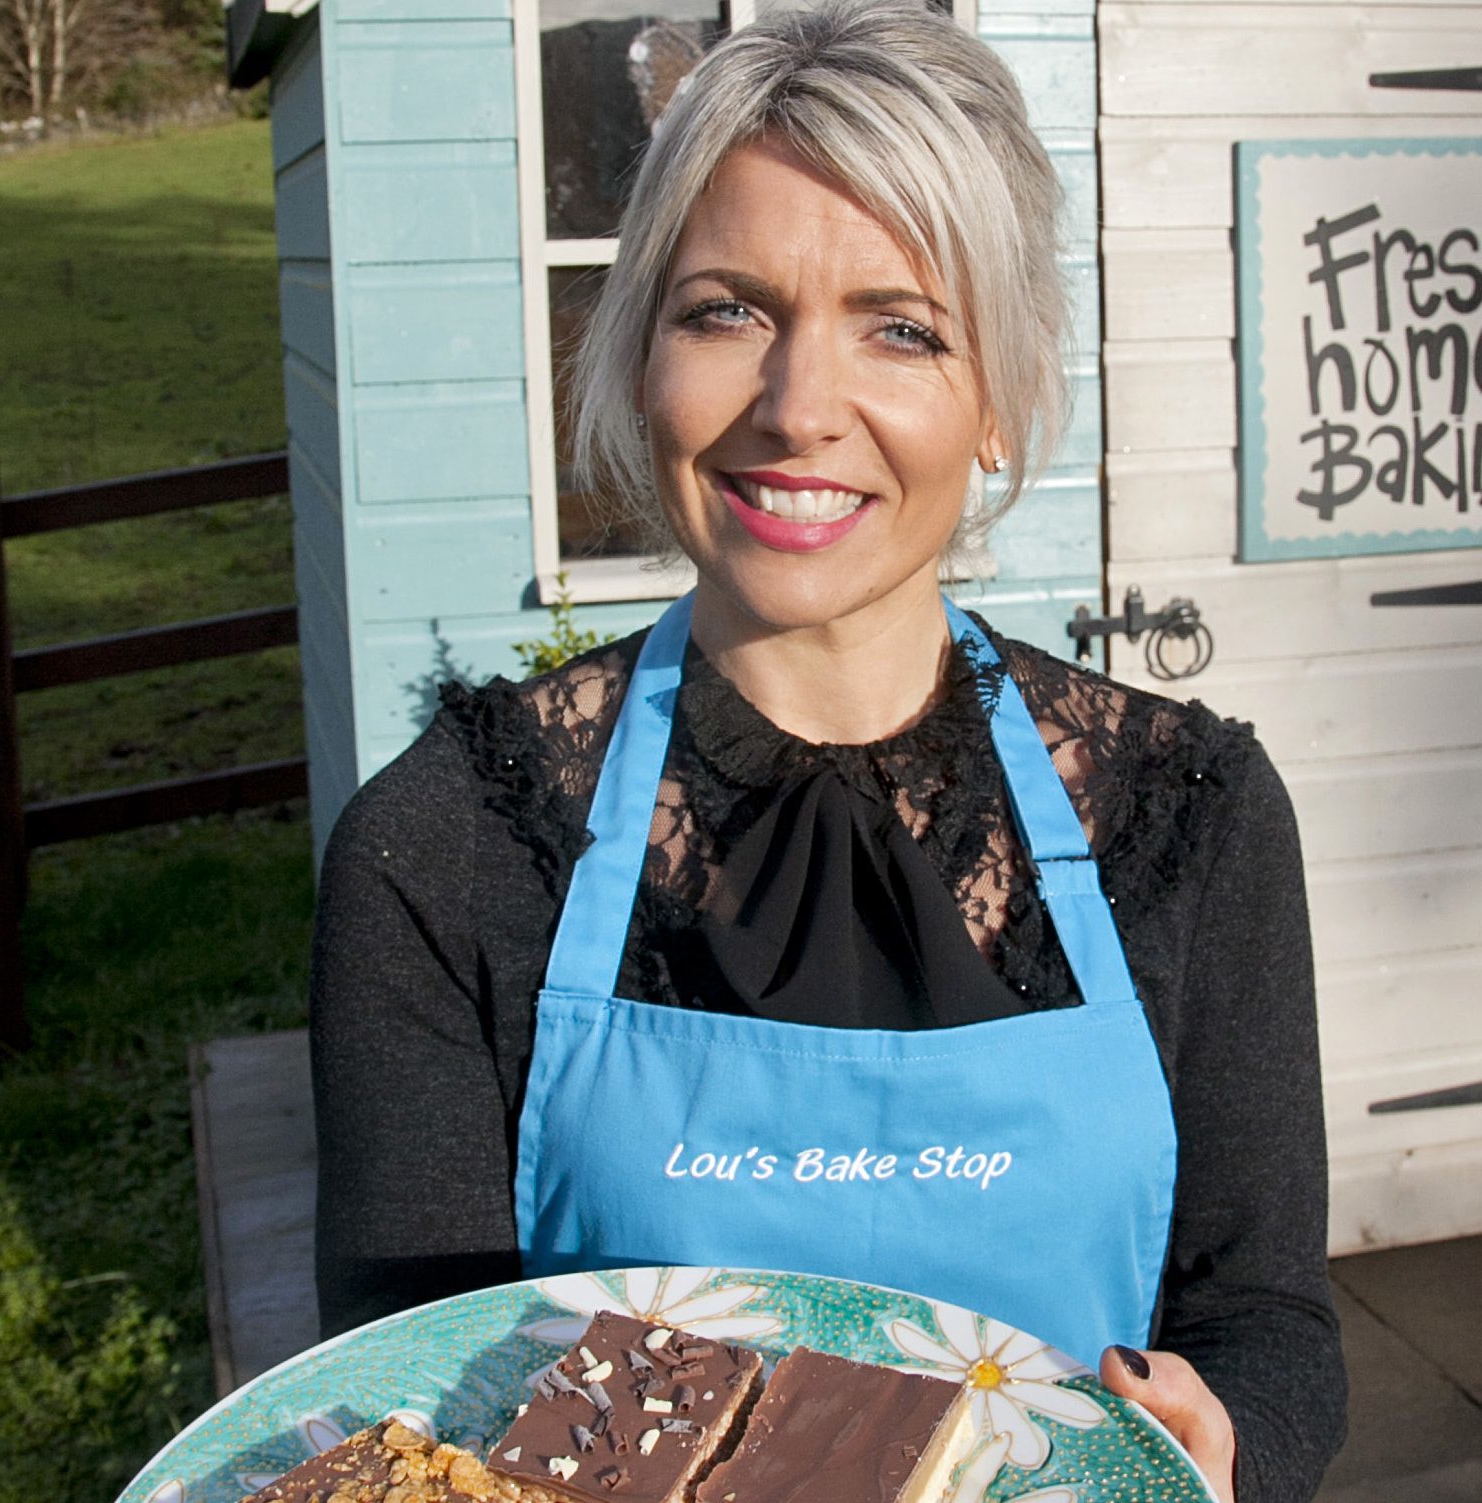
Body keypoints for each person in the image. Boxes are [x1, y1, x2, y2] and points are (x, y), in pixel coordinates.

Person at [307, 3, 1345, 1497]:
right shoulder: (447, 845)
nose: (797, 410)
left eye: (902, 327)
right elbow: (408, 1391)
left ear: (994, 399)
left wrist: (1229, 1439)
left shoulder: (1189, 817)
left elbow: (1264, 1321)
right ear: (637, 355)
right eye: (725, 309)